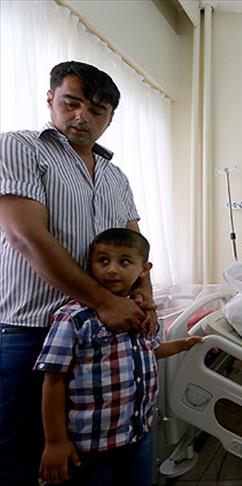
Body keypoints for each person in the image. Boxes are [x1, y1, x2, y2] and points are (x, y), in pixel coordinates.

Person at [0, 61, 153, 484]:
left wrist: (146, 298)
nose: (82, 116)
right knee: (25, 460)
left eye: (97, 110)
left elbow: (135, 246)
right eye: (72, 103)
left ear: (110, 118)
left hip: (104, 337)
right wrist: (106, 302)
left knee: (96, 461)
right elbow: (26, 237)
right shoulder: (21, 147)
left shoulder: (116, 177)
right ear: (51, 99)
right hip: (32, 332)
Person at [34, 228, 202, 485]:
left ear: (144, 269)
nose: (112, 269)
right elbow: (53, 379)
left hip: (139, 433)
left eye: (124, 262)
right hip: (93, 444)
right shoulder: (74, 317)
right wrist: (55, 441)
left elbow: (151, 350)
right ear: (90, 264)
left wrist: (184, 345)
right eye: (103, 261)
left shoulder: (141, 312)